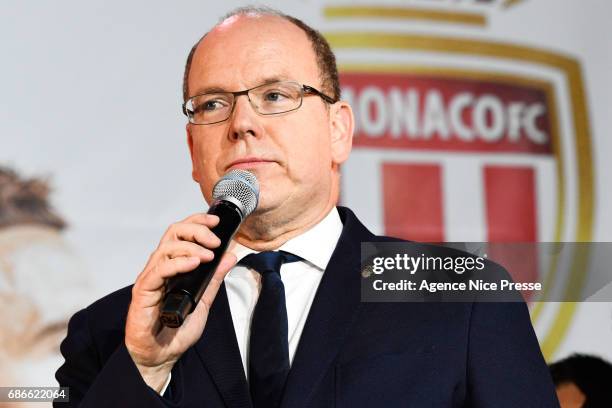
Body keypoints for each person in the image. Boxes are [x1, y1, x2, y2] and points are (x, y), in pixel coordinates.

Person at [55, 6, 559, 407]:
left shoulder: (460, 297)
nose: (242, 124)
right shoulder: (112, 332)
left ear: (338, 130)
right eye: (212, 103)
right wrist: (146, 366)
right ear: (193, 152)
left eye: (275, 95)